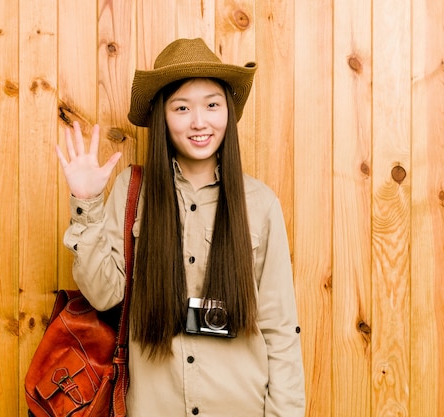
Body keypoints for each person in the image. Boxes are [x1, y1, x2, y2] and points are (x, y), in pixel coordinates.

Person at [56, 38, 305, 417]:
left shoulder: (260, 204)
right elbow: (103, 294)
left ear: (227, 112)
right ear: (162, 116)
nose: (199, 121)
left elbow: (281, 331)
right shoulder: (131, 192)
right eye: (182, 107)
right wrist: (86, 201)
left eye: (212, 104)